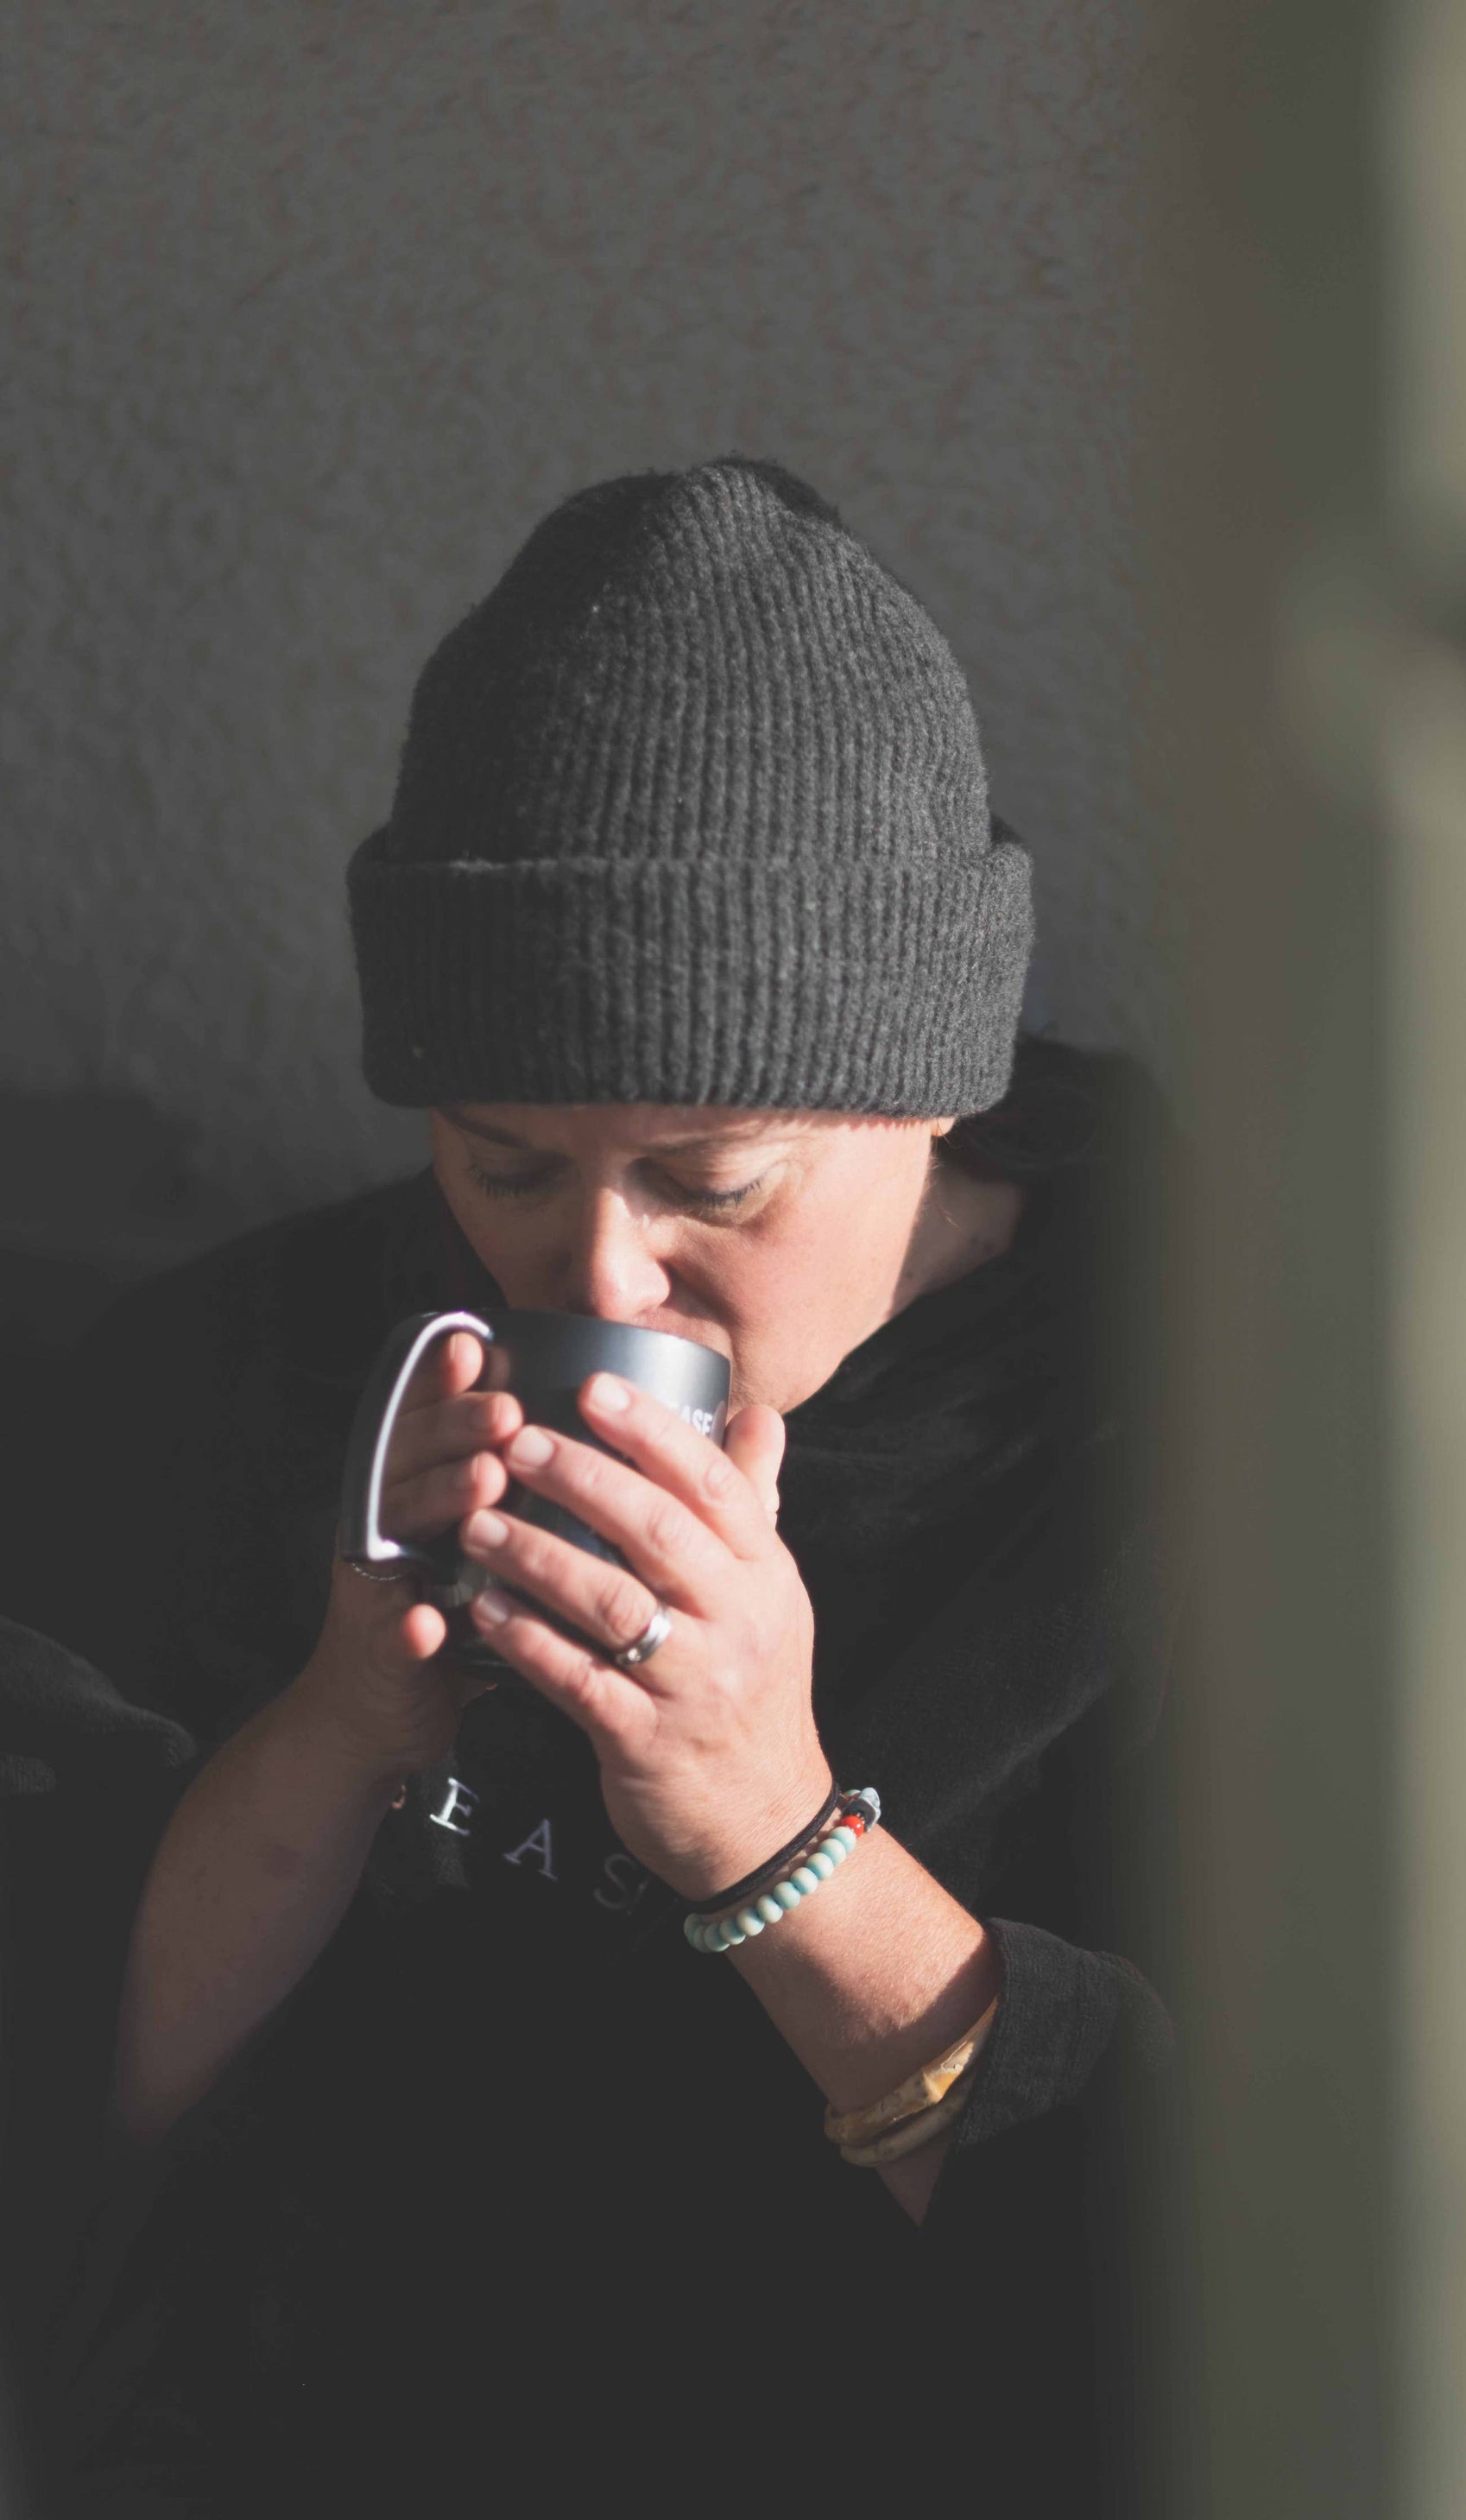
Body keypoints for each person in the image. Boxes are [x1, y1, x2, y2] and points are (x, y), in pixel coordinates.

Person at [1, 455, 1179, 2515]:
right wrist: (332, 1740)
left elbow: (1269, 2300)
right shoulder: (256, 1388)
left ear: (930, 1077)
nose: (595, 1281)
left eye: (713, 1181)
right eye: (506, 1163)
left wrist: (773, 1831)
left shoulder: (1212, 1466)